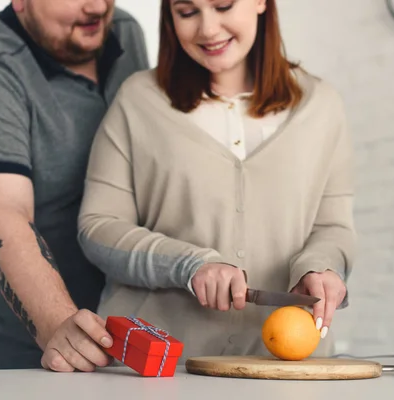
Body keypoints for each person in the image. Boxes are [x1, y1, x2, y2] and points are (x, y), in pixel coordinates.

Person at [78, 0, 355, 360]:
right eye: (187, 12)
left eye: (223, 5)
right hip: (153, 370)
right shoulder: (139, 99)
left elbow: (333, 226)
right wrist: (189, 264)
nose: (207, 29)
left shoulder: (321, 105)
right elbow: (97, 227)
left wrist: (319, 266)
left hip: (286, 371)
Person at [0, 0, 148, 371]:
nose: (97, 6)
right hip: (17, 350)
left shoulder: (122, 30)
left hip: (124, 330)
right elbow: (2, 216)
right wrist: (59, 326)